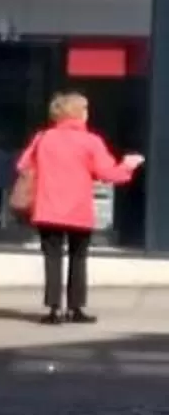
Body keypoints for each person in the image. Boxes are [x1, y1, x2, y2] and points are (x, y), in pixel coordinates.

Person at [17, 91, 144, 326]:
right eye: (85, 109)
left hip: (48, 208)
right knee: (78, 258)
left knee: (52, 258)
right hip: (78, 210)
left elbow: (23, 165)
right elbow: (108, 174)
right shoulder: (91, 141)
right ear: (77, 113)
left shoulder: (43, 137)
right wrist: (128, 165)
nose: (88, 114)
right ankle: (76, 308)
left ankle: (53, 309)